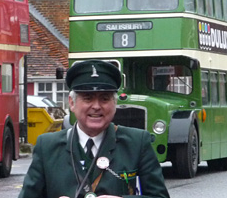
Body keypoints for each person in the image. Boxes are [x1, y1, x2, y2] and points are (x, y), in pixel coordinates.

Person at [19, 60, 170, 198]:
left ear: (114, 103)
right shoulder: (47, 146)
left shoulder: (137, 143)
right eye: (88, 98)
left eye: (104, 98)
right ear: (72, 103)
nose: (96, 106)